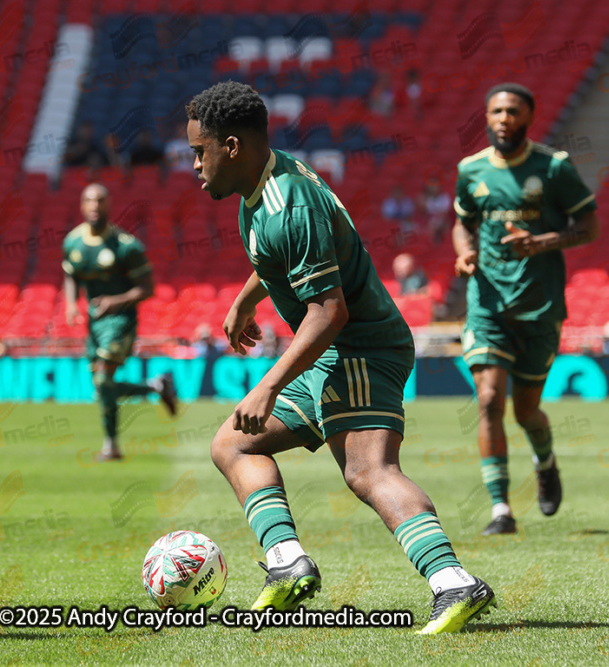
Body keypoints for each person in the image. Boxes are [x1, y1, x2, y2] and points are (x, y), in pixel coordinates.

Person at [185, 81, 495, 633]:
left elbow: (329, 312)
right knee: (233, 442)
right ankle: (287, 564)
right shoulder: (264, 189)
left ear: (231, 146)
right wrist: (244, 300)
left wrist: (269, 385)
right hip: (335, 355)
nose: (193, 164)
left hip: (361, 348)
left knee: (368, 470)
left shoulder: (287, 204)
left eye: (198, 151)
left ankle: (454, 583)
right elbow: (282, 256)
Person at [453, 82, 600, 536]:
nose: (503, 119)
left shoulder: (553, 168)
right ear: (486, 116)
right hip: (488, 306)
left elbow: (589, 225)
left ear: (528, 117)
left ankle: (546, 461)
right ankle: (501, 509)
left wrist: (542, 242)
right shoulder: (470, 169)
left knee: (526, 411)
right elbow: (463, 222)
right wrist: (464, 254)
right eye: (496, 110)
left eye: (512, 111)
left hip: (539, 307)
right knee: (490, 400)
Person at [62, 183, 179, 461]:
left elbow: (147, 288)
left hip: (120, 321)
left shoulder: (127, 246)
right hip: (94, 324)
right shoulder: (72, 242)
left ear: (109, 204)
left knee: (103, 380)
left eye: (100, 200)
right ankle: (155, 387)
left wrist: (114, 301)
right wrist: (70, 303)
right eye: (89, 200)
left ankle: (110, 447)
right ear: (81, 205)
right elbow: (70, 274)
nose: (94, 205)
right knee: (103, 386)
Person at [419, 177, 452, 243]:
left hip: (443, 221)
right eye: (431, 186)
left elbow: (444, 213)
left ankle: (439, 239)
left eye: (435, 186)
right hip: (429, 221)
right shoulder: (426, 198)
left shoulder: (445, 197)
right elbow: (423, 211)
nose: (433, 188)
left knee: (439, 221)